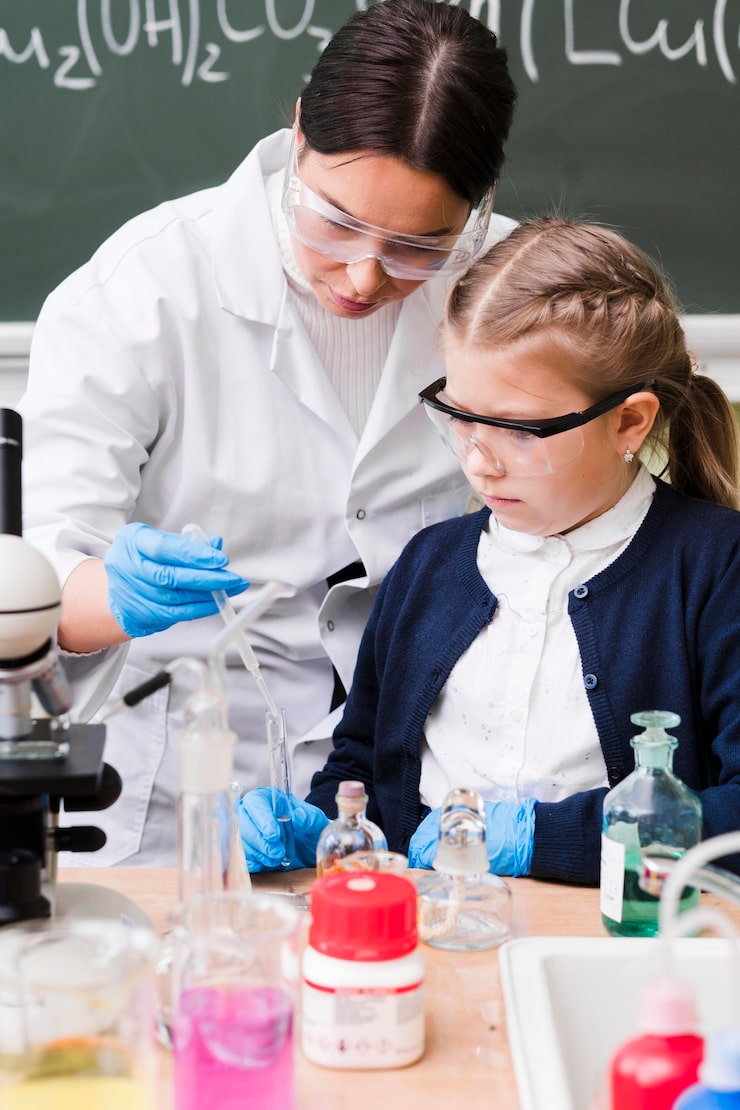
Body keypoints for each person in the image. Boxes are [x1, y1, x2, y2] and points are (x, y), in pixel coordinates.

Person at [17, 0, 518, 866]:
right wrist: (112, 593)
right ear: (297, 135)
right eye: (336, 222)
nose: (363, 277)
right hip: (180, 775)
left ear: (476, 212)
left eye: (417, 247)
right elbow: (36, 584)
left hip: (419, 779)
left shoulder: (512, 290)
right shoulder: (144, 289)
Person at [237, 215, 740, 883]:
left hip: (616, 930)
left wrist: (544, 839)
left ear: (629, 422)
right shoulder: (430, 563)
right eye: (461, 416)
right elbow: (362, 763)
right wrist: (327, 824)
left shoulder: (716, 567)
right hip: (435, 920)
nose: (480, 462)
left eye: (521, 431)